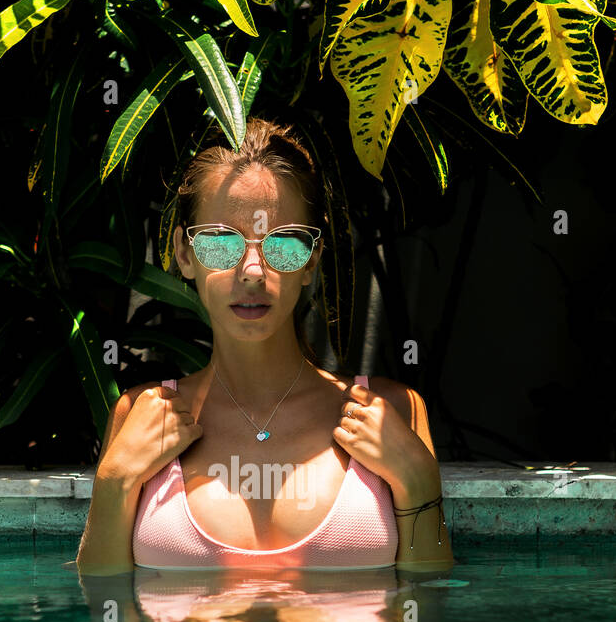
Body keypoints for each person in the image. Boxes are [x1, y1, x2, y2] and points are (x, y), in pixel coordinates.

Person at [76, 118, 453, 574]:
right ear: (183, 254)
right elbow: (106, 611)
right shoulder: (142, 415)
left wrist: (417, 480)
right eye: (220, 243)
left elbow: (424, 609)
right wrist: (114, 481)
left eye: (284, 244)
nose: (253, 270)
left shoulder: (392, 410)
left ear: (312, 261)